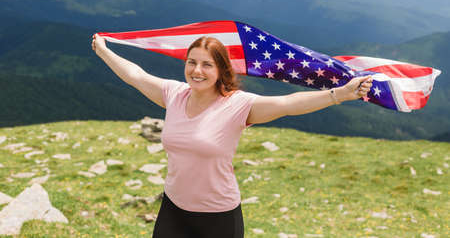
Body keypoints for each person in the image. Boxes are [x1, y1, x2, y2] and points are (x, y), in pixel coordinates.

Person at [91, 34, 373, 238]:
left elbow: (288, 104)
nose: (196, 71)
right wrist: (103, 50)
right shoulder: (173, 94)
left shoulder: (238, 105)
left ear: (220, 70)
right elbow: (135, 75)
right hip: (173, 209)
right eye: (191, 62)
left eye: (206, 65)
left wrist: (340, 94)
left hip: (218, 218)